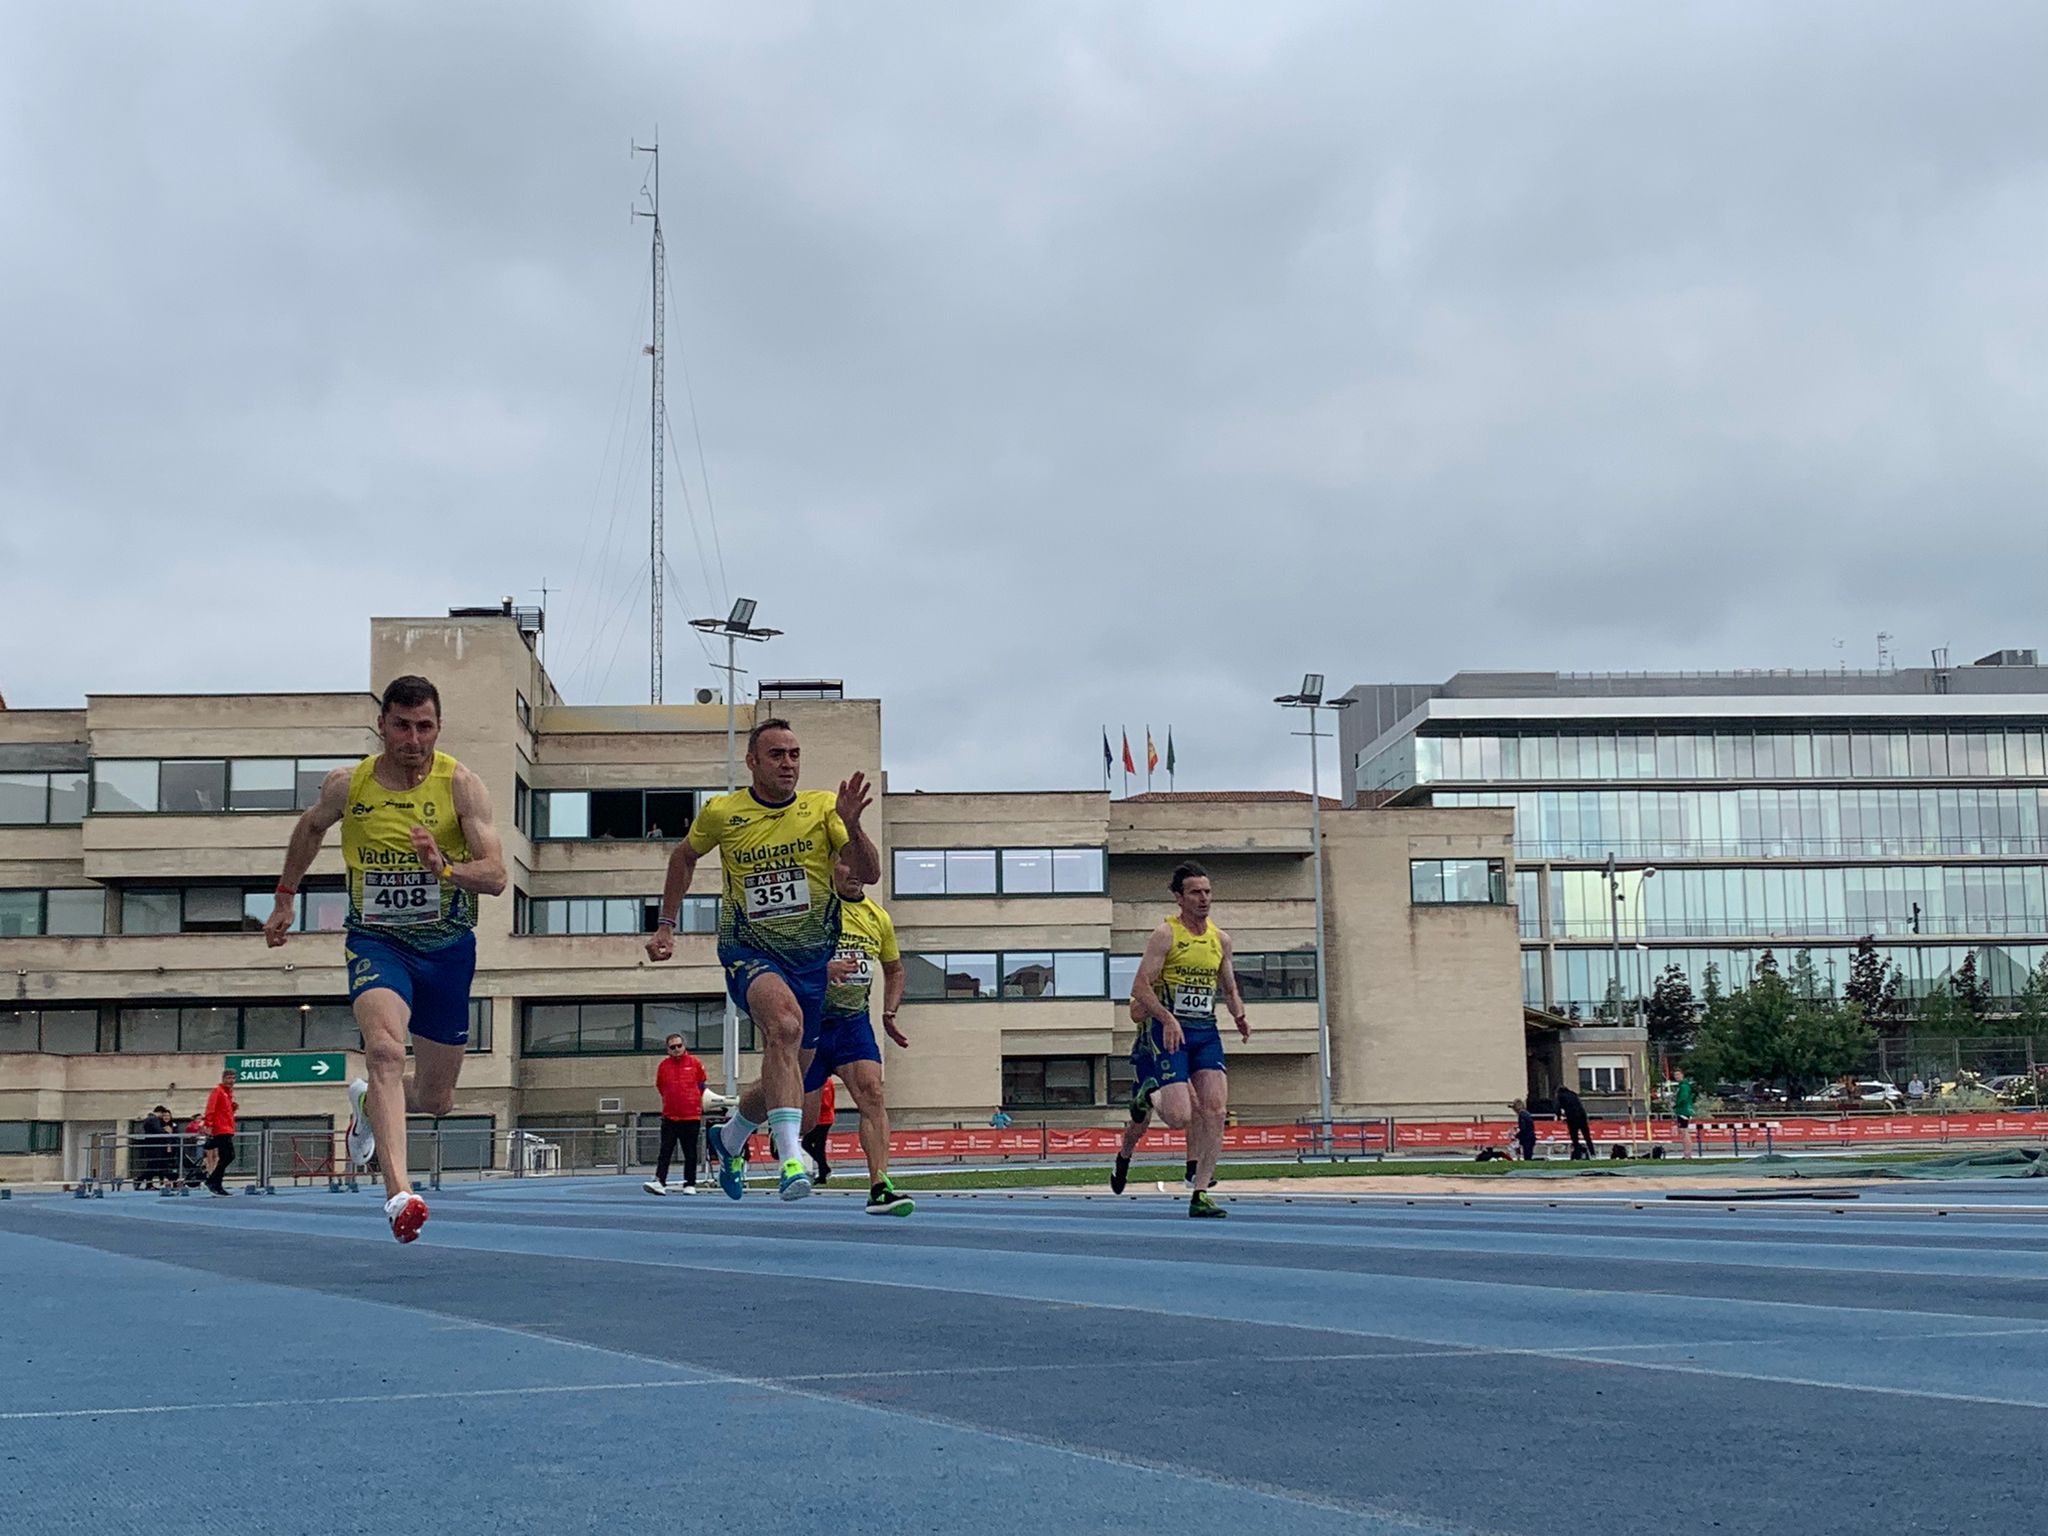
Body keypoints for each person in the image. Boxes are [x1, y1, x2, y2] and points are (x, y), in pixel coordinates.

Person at [265, 675, 507, 1244]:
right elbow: (309, 829)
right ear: (382, 725)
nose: (413, 739)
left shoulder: (462, 787)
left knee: (437, 1100)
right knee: (384, 1049)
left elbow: (496, 876)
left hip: (447, 949)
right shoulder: (348, 785)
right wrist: (285, 898)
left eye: (425, 727)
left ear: (439, 727)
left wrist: (445, 868)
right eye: (401, 726)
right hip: (377, 942)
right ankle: (400, 1194)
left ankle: (368, 1106)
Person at [647, 718, 879, 1201]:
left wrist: (853, 825)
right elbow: (683, 857)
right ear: (752, 761)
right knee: (785, 1027)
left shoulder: (823, 809)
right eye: (776, 755)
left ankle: (730, 1136)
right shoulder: (722, 812)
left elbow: (869, 873)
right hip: (748, 951)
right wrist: (666, 924)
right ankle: (791, 1159)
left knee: (788, 1067)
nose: (788, 764)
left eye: (794, 754)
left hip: (809, 961)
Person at [1114, 862, 1249, 1219]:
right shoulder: (1166, 934)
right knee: (1178, 1116)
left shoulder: (1220, 940)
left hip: (1205, 1032)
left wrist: (1239, 1015)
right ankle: (1147, 1097)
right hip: (1168, 1033)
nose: (1203, 898)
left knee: (1216, 1110)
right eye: (1195, 892)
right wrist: (1168, 1018)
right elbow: (1139, 987)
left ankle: (1200, 1192)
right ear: (1179, 897)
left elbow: (1229, 988)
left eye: (1207, 892)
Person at [801, 859, 913, 1215]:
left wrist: (889, 1012)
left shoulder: (878, 917)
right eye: (846, 865)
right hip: (809, 1023)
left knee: (873, 1094)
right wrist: (823, 969)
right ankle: (770, 1129)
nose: (854, 874)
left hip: (852, 1023)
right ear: (830, 866)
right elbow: (784, 962)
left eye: (860, 868)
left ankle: (879, 1186)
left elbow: (895, 969)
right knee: (805, 1120)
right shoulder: (813, 908)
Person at [645, 1034, 708, 1195]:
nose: (677, 1049)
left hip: (691, 1116)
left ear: (684, 1046)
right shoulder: (664, 1066)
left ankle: (690, 1183)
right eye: (673, 1047)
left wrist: (695, 1102)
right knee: (665, 1151)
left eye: (679, 1046)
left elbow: (701, 1084)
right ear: (668, 1049)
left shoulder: (694, 1063)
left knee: (690, 1152)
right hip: (670, 1116)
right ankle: (660, 1181)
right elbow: (661, 1086)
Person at [202, 1069, 238, 1196]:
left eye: (233, 1078)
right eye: (229, 1078)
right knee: (228, 1156)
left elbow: (224, 1111)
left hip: (226, 1128)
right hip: (221, 1129)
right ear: (223, 1079)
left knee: (226, 1156)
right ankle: (213, 1182)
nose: (231, 1081)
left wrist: (232, 1109)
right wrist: (208, 1124)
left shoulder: (228, 1094)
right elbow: (210, 1108)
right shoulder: (218, 1091)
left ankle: (215, 1182)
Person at [800, 1077, 836, 1185]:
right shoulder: (818, 1080)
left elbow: (826, 1103)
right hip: (817, 1119)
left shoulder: (825, 1082)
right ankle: (823, 1170)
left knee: (814, 1145)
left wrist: (810, 1104)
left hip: (824, 1119)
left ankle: (824, 1171)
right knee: (811, 1145)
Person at [1556, 1083, 1595, 1159]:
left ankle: (1577, 1154)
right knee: (1587, 1136)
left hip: (1572, 1118)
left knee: (1575, 1137)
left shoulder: (1561, 1096)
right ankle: (1592, 1153)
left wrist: (1558, 1116)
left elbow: (1558, 1107)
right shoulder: (1573, 1094)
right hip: (1582, 1116)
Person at [137, 1104, 171, 1190]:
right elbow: (158, 1130)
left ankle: (147, 1183)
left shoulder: (149, 1119)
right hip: (155, 1146)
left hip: (151, 1145)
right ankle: (140, 1179)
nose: (162, 1117)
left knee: (151, 1165)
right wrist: (166, 1131)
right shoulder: (154, 1119)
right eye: (162, 1114)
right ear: (160, 1112)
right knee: (153, 1165)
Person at [1671, 1067, 1698, 1159]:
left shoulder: (1684, 1086)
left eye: (1678, 1074)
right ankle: (1687, 1153)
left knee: (1684, 1131)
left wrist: (1675, 1104)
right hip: (1681, 1110)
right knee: (1683, 1131)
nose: (1676, 1076)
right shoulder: (1681, 1086)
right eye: (1675, 1075)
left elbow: (1684, 1098)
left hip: (1684, 1110)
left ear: (1682, 1075)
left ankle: (1687, 1153)